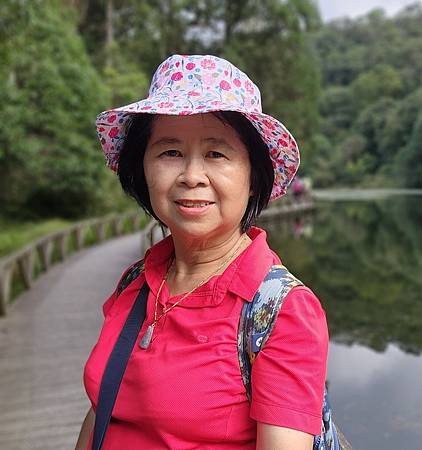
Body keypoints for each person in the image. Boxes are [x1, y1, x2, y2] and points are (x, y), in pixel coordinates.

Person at [75, 54, 329, 450]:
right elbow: (103, 409)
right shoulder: (137, 280)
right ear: (142, 169)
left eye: (216, 154)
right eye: (169, 152)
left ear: (253, 175)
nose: (192, 176)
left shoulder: (282, 312)